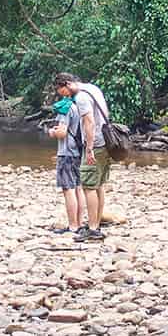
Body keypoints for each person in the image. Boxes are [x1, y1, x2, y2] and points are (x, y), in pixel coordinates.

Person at [54, 72, 112, 242]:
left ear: (67, 84)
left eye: (62, 92)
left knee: (88, 186)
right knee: (99, 184)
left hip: (96, 143)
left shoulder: (80, 97)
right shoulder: (93, 89)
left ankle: (93, 229)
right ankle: (96, 224)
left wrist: (89, 147)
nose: (64, 96)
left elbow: (89, 121)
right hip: (107, 140)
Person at [48, 94, 85, 234]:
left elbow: (62, 133)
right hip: (77, 152)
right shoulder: (79, 106)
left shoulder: (66, 108)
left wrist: (52, 132)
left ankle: (73, 226)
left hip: (66, 153)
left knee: (68, 189)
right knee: (78, 188)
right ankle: (80, 223)